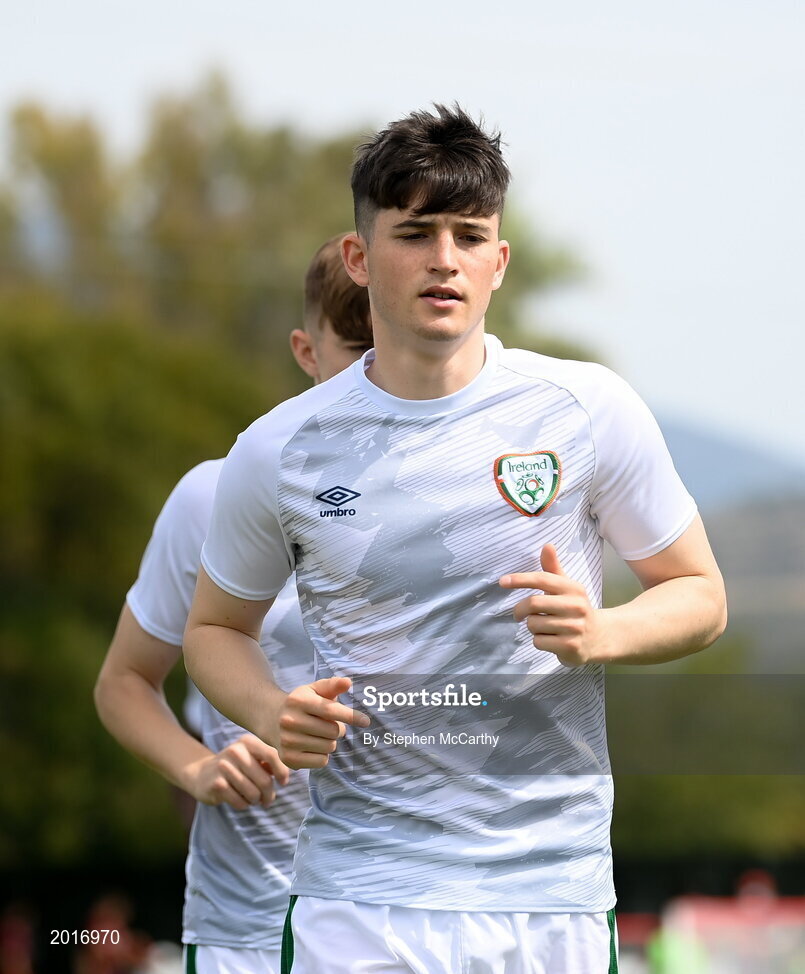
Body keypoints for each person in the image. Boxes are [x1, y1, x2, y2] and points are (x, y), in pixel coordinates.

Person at [184, 105, 727, 974]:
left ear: (497, 261)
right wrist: (269, 711)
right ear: (360, 259)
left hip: (549, 897)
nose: (444, 258)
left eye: (469, 235)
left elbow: (701, 594)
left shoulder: (586, 410)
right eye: (415, 232)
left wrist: (603, 631)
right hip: (358, 899)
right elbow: (212, 631)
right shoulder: (279, 447)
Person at [94, 234, 374, 974]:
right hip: (245, 927)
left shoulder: (459, 509)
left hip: (405, 917)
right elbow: (124, 683)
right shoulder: (213, 495)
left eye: (394, 350)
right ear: (305, 352)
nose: (379, 376)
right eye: (355, 350)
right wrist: (196, 768)